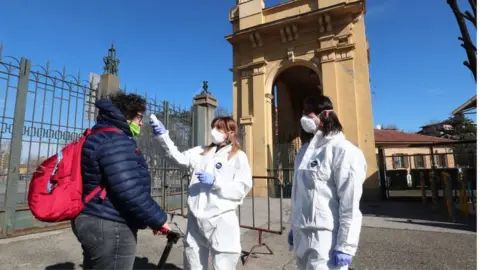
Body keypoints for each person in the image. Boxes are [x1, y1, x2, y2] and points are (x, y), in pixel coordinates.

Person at [71, 93, 171, 270]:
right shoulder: (116, 140)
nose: (141, 122)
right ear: (126, 114)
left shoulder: (99, 134)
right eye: (139, 117)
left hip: (93, 217)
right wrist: (158, 219)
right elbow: (129, 189)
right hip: (111, 224)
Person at [149, 115, 252, 270]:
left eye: (219, 128)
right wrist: (163, 136)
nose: (214, 131)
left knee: (224, 261)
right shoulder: (201, 152)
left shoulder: (238, 157)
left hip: (220, 219)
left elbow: (241, 188)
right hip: (195, 218)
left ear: (230, 132)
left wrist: (216, 183)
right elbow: (177, 158)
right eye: (213, 127)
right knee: (193, 259)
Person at [288, 95, 367, 270]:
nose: (305, 118)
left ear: (324, 115)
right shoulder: (304, 152)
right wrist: (294, 227)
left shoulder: (344, 151)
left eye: (310, 113)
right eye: (304, 113)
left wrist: (346, 246)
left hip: (326, 236)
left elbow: (350, 202)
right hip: (302, 234)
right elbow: (298, 194)